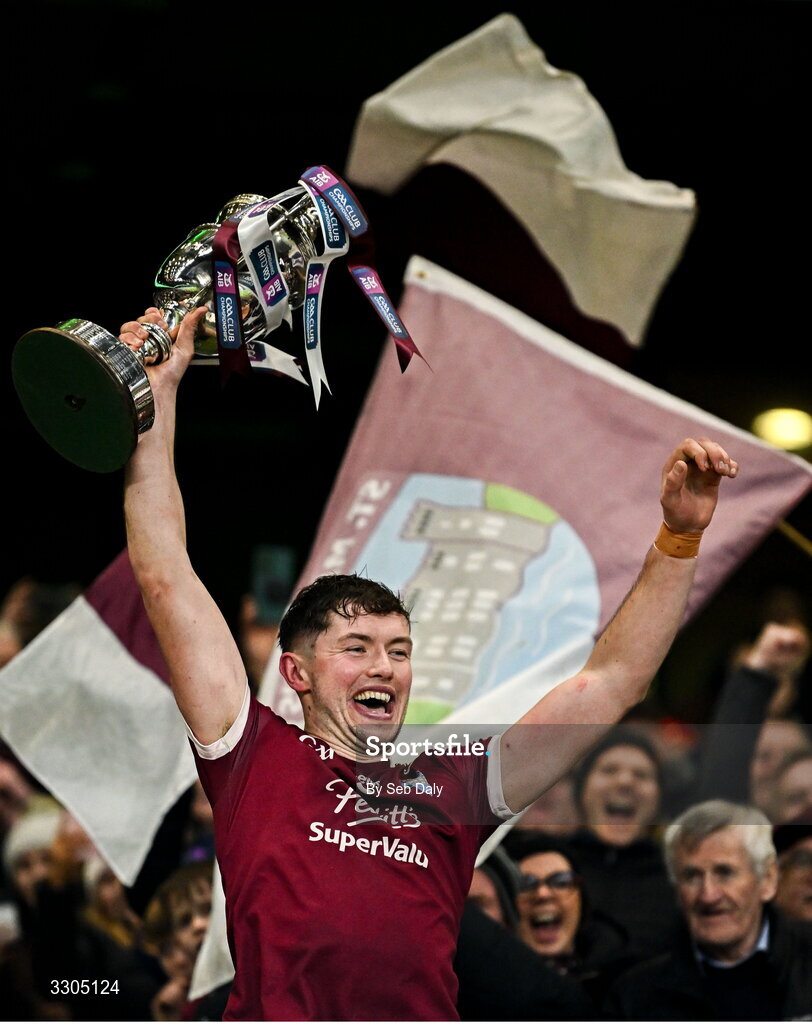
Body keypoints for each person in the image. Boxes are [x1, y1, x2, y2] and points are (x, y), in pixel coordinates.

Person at [119, 305, 739, 1021]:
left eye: (399, 650)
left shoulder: (455, 780)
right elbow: (165, 573)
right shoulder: (252, 756)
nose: (385, 668)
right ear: (297, 673)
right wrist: (156, 398)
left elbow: (612, 683)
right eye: (356, 649)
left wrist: (679, 538)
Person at [604, 799, 812, 1021]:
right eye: (691, 876)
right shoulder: (635, 997)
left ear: (767, 880)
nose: (708, 895)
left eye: (725, 873)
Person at [563, 727, 680, 955]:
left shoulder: (679, 878)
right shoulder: (551, 868)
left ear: (659, 801)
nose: (625, 782)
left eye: (642, 775)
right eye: (609, 770)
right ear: (581, 792)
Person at [504, 830, 639, 1007]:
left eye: (561, 881)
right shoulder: (483, 984)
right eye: (525, 884)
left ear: (581, 899)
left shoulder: (625, 981)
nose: (543, 894)